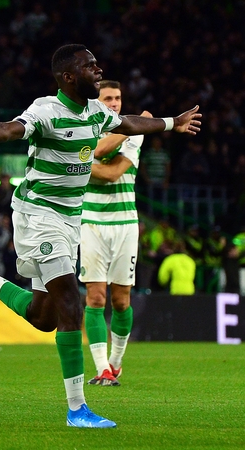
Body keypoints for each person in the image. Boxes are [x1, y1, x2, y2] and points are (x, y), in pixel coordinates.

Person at [0, 44, 201, 428]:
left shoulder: (95, 112)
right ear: (68, 76)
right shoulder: (45, 110)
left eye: (97, 64)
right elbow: (12, 129)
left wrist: (170, 123)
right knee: (71, 304)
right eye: (89, 66)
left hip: (68, 220)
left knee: (43, 317)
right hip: (37, 215)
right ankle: (78, 408)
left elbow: (129, 123)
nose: (98, 70)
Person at [79, 80, 149, 387]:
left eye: (118, 98)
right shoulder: (92, 129)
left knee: (121, 301)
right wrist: (136, 125)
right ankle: (101, 369)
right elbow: (101, 149)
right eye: (108, 98)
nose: (115, 104)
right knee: (95, 298)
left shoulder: (132, 134)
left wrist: (77, 162)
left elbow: (112, 173)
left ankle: (116, 363)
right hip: (90, 224)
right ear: (96, 102)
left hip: (125, 226)